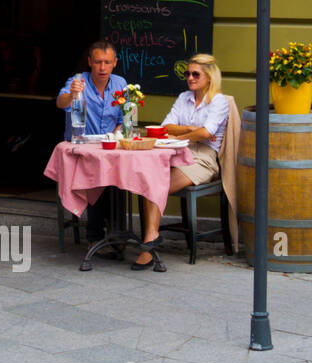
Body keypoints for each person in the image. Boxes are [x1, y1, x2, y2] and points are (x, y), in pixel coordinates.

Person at [132, 54, 230, 270]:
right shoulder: (183, 97)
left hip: (204, 159)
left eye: (196, 74)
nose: (190, 78)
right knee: (149, 182)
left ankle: (148, 246)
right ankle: (152, 238)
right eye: (187, 73)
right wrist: (190, 130)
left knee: (156, 185)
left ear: (210, 77)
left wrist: (187, 133)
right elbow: (166, 127)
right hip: (176, 152)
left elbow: (207, 133)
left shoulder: (219, 101)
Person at [56, 40, 128, 241]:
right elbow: (60, 103)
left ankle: (116, 233)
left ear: (114, 62)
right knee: (97, 175)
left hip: (110, 149)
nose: (102, 67)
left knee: (120, 175)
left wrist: (116, 134)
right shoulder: (78, 81)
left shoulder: (120, 84)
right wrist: (72, 94)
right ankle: (96, 235)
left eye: (106, 62)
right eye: (97, 62)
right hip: (84, 150)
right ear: (89, 62)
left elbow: (124, 119)